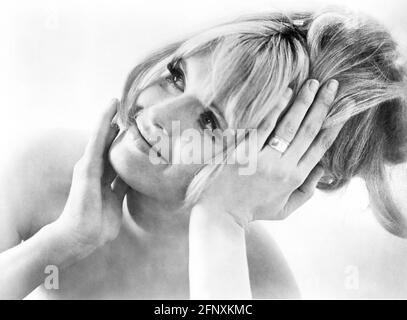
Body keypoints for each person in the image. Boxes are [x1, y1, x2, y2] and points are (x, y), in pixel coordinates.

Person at [0, 8, 406, 299]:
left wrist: (221, 221)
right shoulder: (43, 169)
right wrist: (61, 242)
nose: (157, 115)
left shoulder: (263, 287)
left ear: (281, 170)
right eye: (177, 76)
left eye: (210, 121)